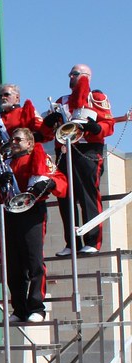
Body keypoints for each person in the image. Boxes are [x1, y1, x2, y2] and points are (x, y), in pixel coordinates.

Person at [44, 64, 115, 255]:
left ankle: (93, 240)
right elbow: (48, 129)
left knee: (87, 195)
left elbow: (108, 124)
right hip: (65, 151)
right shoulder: (62, 101)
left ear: (86, 77)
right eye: (70, 74)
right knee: (65, 198)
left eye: (75, 74)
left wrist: (96, 128)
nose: (71, 77)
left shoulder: (96, 97)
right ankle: (72, 242)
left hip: (88, 149)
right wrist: (49, 122)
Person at [3, 127, 68, 322]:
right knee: (14, 265)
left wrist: (49, 184)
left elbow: (61, 182)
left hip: (32, 213)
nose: (13, 142)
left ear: (30, 143)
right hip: (10, 213)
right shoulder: (6, 163)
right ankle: (19, 309)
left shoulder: (39, 157)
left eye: (18, 140)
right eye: (12, 139)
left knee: (34, 261)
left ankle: (37, 307)